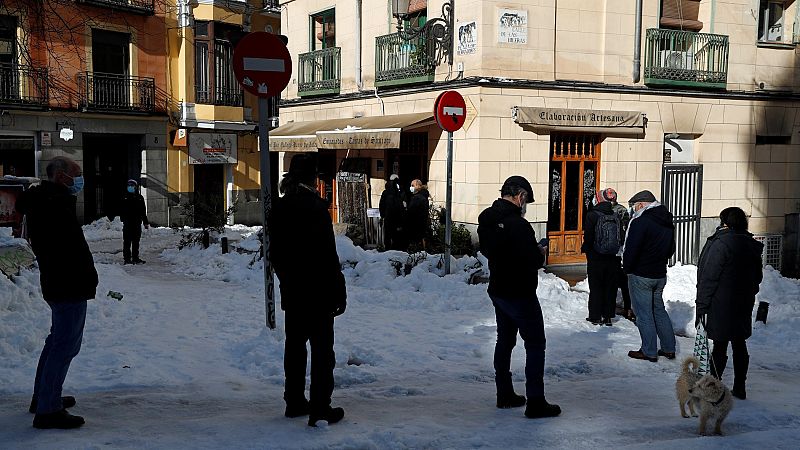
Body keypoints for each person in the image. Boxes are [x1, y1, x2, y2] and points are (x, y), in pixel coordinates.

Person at [15, 156, 98, 429]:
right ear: (61, 176)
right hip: (67, 284)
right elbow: (66, 250)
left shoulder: (47, 201)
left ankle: (44, 398)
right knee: (64, 346)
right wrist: (84, 276)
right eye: (76, 174)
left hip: (60, 282)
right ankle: (48, 409)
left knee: (56, 343)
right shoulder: (53, 204)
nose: (79, 179)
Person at [269, 153, 347, 427]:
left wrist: (288, 280)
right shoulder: (315, 208)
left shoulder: (279, 208)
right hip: (319, 293)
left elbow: (275, 254)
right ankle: (320, 408)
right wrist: (339, 290)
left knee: (295, 348)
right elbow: (327, 255)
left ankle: (294, 401)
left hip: (294, 292)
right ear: (311, 179)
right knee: (323, 352)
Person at [477, 175, 561, 419]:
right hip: (521, 293)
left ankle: (504, 394)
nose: (526, 206)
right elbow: (532, 261)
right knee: (535, 344)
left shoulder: (487, 219)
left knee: (504, 341)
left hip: (499, 290)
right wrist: (540, 252)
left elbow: (490, 250)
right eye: (526, 201)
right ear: (520, 196)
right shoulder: (519, 225)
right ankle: (536, 401)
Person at [695, 207, 763, 399]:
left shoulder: (721, 243)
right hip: (743, 301)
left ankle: (712, 387)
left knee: (720, 345)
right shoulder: (750, 244)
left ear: (724, 222)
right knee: (739, 343)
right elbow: (757, 276)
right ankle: (740, 386)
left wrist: (702, 305)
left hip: (721, 303)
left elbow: (709, 277)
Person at [622, 190, 677, 362]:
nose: (634, 210)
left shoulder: (641, 221)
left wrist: (627, 269)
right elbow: (671, 249)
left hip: (641, 274)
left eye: (634, 206)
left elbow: (632, 249)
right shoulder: (667, 220)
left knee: (643, 313)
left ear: (640, 205)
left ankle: (649, 351)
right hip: (659, 273)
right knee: (659, 310)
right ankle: (669, 348)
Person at [582, 188, 622, 326]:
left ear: (598, 200)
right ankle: (608, 316)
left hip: (596, 256)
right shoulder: (615, 215)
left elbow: (588, 237)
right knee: (610, 286)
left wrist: (587, 249)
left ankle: (595, 316)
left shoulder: (592, 215)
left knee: (596, 286)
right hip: (612, 257)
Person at [608, 190, 634, 322]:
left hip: (615, 251)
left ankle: (613, 306)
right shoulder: (622, 210)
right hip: (621, 249)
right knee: (624, 283)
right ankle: (628, 308)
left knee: (614, 281)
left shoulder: (609, 211)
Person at [120, 179, 149, 264]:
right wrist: (123, 219)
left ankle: (135, 258)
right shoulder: (124, 197)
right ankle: (127, 259)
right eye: (129, 186)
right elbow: (121, 209)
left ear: (135, 187)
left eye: (132, 186)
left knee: (136, 242)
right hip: (128, 223)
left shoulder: (139, 198)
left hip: (137, 223)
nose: (130, 187)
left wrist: (145, 222)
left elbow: (143, 211)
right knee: (127, 242)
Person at [379, 174, 406, 250]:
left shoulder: (385, 192)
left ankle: (387, 249)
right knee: (396, 235)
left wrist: (383, 215)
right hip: (396, 216)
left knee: (387, 234)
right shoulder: (398, 192)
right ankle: (395, 249)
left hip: (388, 217)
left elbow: (381, 205)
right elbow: (400, 206)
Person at [406, 179, 430, 251]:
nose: (411, 187)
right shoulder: (423, 196)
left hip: (416, 223)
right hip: (421, 223)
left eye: (412, 185)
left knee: (416, 242)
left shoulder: (417, 198)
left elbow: (411, 211)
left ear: (418, 186)